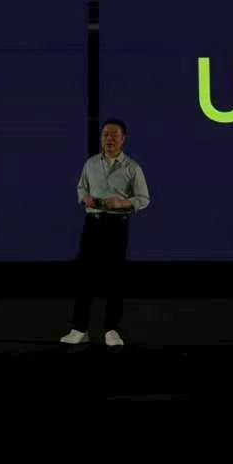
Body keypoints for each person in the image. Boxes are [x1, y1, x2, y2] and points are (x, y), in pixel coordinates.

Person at [60, 119, 150, 346]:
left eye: (114, 135)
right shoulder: (90, 163)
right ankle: (80, 329)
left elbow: (144, 198)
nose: (109, 139)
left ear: (123, 139)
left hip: (116, 225)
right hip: (93, 224)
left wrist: (122, 203)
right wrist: (85, 198)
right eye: (105, 135)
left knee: (115, 277)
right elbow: (81, 187)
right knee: (85, 276)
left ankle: (111, 329)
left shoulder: (132, 168)